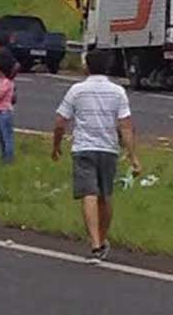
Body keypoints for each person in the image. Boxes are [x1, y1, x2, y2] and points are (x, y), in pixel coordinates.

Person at [52, 49, 141, 264]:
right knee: (105, 195)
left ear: (87, 66)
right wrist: (133, 156)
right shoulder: (118, 92)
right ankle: (102, 237)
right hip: (109, 149)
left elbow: (60, 122)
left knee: (88, 194)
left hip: (83, 147)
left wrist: (56, 145)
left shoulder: (76, 90)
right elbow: (126, 126)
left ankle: (94, 243)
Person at [0, 63, 15, 163]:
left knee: (6, 136)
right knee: (0, 135)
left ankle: (8, 158)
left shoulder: (7, 82)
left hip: (5, 111)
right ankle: (3, 155)